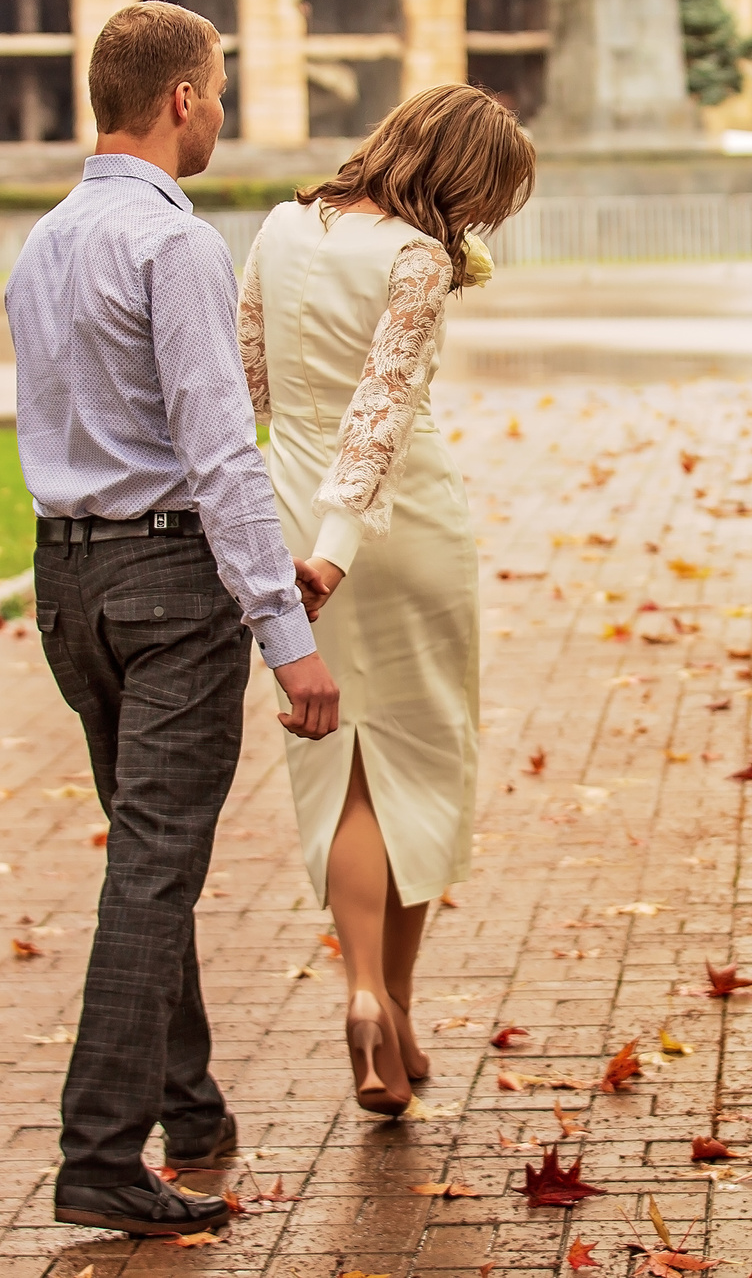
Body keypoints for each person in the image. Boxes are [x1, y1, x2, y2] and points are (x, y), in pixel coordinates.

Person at [6, 0, 344, 1238]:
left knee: (146, 853)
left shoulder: (43, 240)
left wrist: (262, 583)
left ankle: (188, 1109)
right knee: (152, 870)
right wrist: (288, 640)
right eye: (222, 85)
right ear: (183, 99)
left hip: (69, 587)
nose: (224, 108)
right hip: (165, 589)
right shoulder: (175, 246)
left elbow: (84, 428)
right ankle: (100, 1153)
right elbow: (217, 455)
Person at [236, 84, 536, 1114]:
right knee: (419, 763)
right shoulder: (416, 258)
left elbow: (248, 390)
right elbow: (384, 411)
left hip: (286, 527)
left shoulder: (279, 228)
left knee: (342, 768)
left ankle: (367, 998)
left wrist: (290, 545)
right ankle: (397, 1003)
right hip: (396, 535)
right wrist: (339, 548)